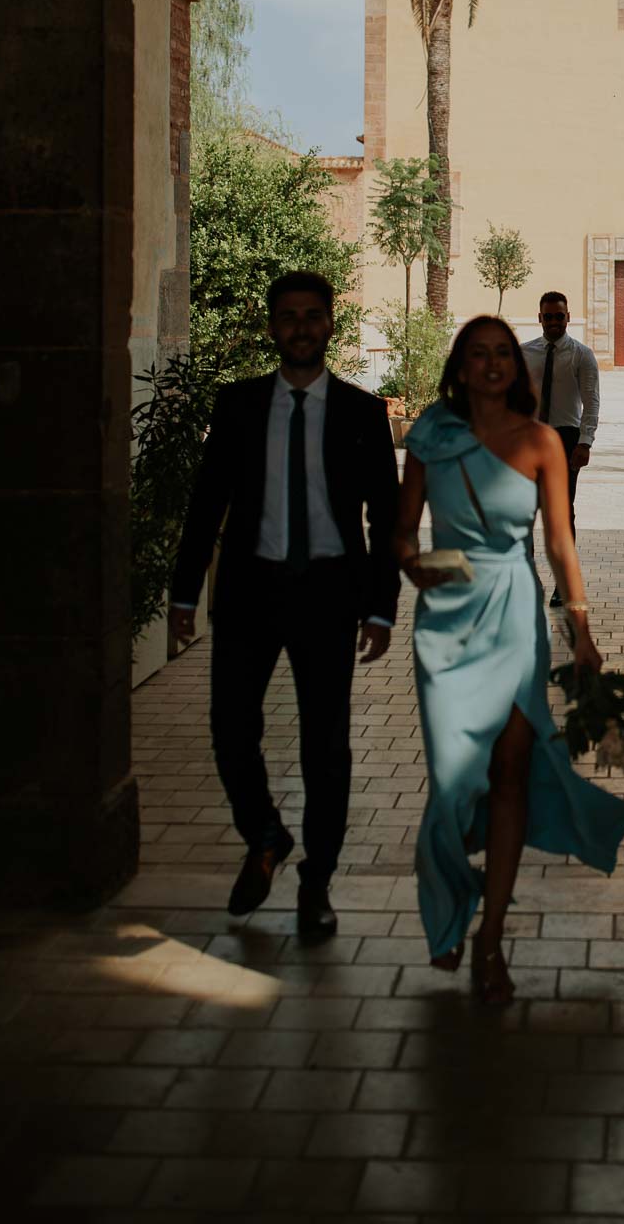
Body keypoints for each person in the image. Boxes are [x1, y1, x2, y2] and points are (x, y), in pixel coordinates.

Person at [395, 316, 624, 1005]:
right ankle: (448, 891)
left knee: (510, 769)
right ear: (461, 365)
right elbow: (399, 534)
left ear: (517, 367)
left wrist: (580, 630)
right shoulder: (430, 436)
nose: (494, 364)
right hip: (445, 624)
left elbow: (560, 543)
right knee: (451, 777)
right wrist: (433, 567)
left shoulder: (540, 442)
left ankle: (490, 934)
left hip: (514, 611)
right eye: (480, 354)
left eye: (504, 353)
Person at [168, 271, 400, 937]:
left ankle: (315, 884)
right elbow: (207, 503)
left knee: (325, 746)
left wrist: (380, 607)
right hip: (249, 591)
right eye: (288, 316)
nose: (300, 326)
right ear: (272, 326)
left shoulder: (362, 412)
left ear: (331, 324)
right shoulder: (237, 405)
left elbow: (384, 519)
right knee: (229, 729)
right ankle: (265, 832)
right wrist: (184, 592)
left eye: (312, 315)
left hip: (329, 593)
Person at [521, 290, 601, 607]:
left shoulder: (582, 355)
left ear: (568, 317)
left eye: (560, 315)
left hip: (565, 441)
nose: (554, 321)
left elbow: (592, 402)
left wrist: (585, 441)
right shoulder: (524, 353)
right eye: (548, 316)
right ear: (540, 318)